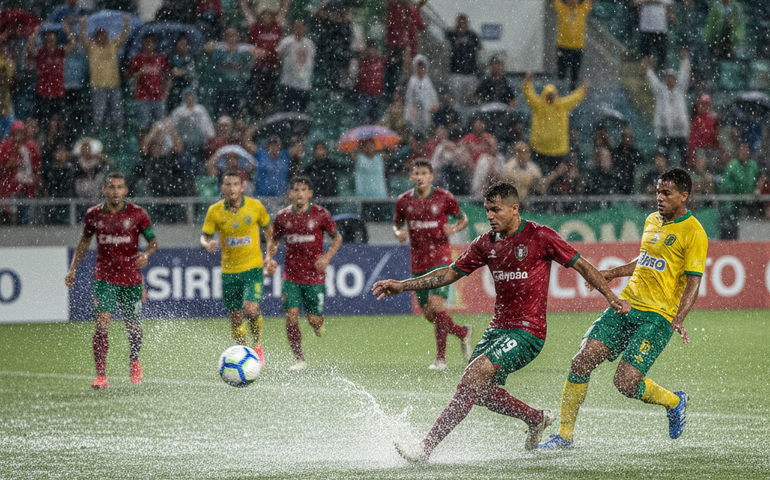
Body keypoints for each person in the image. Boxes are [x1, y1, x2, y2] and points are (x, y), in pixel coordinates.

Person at [374, 182, 629, 462]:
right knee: (477, 392)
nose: (490, 216)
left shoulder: (540, 236)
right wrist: (404, 285)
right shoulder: (485, 243)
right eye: (487, 210)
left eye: (496, 210)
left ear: (514, 209)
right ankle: (535, 418)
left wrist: (610, 297)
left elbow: (580, 264)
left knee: (472, 377)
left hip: (528, 332)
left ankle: (425, 448)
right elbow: (449, 273)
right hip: (497, 330)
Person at [537, 167, 707, 449]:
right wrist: (612, 273)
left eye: (666, 193)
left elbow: (693, 281)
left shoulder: (694, 232)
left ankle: (675, 401)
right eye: (658, 192)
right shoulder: (652, 220)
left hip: (658, 316)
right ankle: (564, 435)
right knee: (581, 361)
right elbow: (645, 260)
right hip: (628, 304)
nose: (659, 198)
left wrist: (679, 318)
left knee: (626, 383)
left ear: (684, 196)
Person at [65, 172, 158, 389]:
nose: (115, 191)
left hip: (131, 278)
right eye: (111, 187)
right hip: (104, 278)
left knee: (133, 327)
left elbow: (153, 242)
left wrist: (146, 254)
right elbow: (84, 241)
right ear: (104, 190)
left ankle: (134, 360)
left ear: (126, 191)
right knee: (102, 325)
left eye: (119, 187)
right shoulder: (93, 214)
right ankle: (101, 376)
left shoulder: (138, 214)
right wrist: (73, 268)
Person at [393, 160, 471, 370]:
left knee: (436, 306)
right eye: (416, 173)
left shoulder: (444, 197)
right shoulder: (403, 201)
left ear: (431, 176)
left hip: (440, 260)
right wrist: (398, 233)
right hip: (418, 262)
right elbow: (396, 225)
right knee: (429, 314)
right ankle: (462, 332)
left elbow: (463, 219)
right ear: (411, 177)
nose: (419, 177)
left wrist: (453, 229)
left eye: (424, 173)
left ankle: (440, 359)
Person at [265, 176, 343, 370]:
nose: (299, 193)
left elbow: (338, 237)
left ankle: (318, 325)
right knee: (291, 315)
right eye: (296, 189)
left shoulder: (320, 214)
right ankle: (300, 359)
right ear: (290, 194)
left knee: (314, 320)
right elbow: (274, 240)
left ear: (310, 193)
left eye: (303, 190)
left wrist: (327, 257)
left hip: (314, 277)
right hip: (291, 276)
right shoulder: (283, 216)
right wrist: (269, 257)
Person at [200, 170, 271, 367]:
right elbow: (204, 237)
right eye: (227, 184)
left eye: (235, 184)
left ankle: (257, 346)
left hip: (252, 267)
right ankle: (242, 351)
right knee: (236, 317)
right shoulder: (214, 211)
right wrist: (207, 244)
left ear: (242, 187)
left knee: (251, 309)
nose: (231, 188)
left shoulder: (255, 207)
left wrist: (269, 256)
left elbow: (269, 230)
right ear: (222, 187)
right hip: (229, 271)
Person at [522, 71, 587, 176]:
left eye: (552, 95)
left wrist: (583, 89)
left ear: (555, 95)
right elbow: (528, 94)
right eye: (548, 95)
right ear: (544, 95)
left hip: (558, 151)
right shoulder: (538, 105)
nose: (550, 97)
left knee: (557, 178)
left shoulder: (562, 105)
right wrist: (527, 81)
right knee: (540, 176)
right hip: (540, 150)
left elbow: (575, 98)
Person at [79, 15, 131, 139]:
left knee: (117, 112)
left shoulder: (113, 46)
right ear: (96, 37)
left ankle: (118, 135)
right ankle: (98, 134)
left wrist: (126, 24)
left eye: (104, 35)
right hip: (98, 86)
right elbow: (83, 37)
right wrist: (82, 25)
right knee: (98, 113)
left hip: (114, 85)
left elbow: (123, 36)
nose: (103, 37)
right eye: (100, 35)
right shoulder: (92, 48)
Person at [643, 50, 690, 167]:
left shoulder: (680, 90)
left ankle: (684, 173)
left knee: (685, 158)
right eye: (668, 78)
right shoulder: (661, 91)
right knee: (663, 158)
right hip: (664, 132)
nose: (670, 80)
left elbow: (685, 76)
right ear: (665, 80)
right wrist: (647, 69)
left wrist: (685, 61)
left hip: (680, 132)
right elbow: (653, 81)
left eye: (672, 78)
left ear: (676, 80)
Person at [276, 19, 315, 113]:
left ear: (305, 28)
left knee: (303, 113)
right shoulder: (286, 41)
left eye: (301, 26)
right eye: (296, 26)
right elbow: (277, 55)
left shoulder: (309, 43)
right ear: (292, 28)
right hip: (289, 84)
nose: (299, 29)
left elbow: (311, 62)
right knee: (287, 112)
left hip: (305, 85)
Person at [553, 0, 593, 91]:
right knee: (561, 73)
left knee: (575, 74)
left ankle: (572, 91)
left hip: (577, 48)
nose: (572, 1)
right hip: (563, 47)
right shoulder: (561, 8)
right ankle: (560, 90)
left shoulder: (582, 9)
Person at [445, 13, 481, 108]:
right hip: (456, 72)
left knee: (470, 98)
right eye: (460, 22)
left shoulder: (472, 35)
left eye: (464, 22)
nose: (462, 24)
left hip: (470, 72)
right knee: (456, 99)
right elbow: (446, 35)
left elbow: (478, 47)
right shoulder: (453, 34)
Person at [403, 54, 438, 137]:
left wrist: (433, 107)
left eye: (422, 66)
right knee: (414, 134)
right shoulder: (412, 81)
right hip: (414, 114)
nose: (421, 69)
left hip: (426, 114)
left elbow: (433, 98)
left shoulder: (427, 81)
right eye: (418, 66)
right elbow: (409, 99)